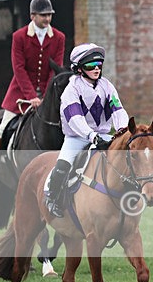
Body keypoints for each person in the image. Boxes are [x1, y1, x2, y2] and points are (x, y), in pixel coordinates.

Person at [0, 0, 66, 183]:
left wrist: (45, 96)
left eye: (50, 15)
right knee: (3, 127)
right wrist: (31, 96)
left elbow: (57, 69)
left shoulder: (59, 37)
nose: (47, 19)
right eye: (43, 15)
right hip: (20, 92)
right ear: (32, 16)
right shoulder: (19, 37)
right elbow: (18, 68)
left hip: (48, 93)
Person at [45, 43, 130, 218]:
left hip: (104, 136)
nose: (96, 69)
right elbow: (75, 118)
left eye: (99, 65)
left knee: (126, 161)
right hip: (77, 138)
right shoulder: (71, 89)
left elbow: (118, 110)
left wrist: (122, 131)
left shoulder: (107, 86)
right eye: (91, 66)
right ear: (79, 69)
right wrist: (91, 136)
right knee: (63, 165)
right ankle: (53, 198)